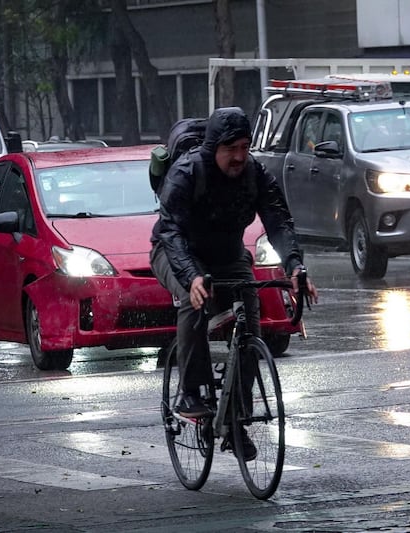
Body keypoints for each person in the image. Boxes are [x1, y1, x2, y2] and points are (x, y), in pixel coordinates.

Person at [150, 106, 319, 460]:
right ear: (214, 148)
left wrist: (294, 266)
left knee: (250, 324)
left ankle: (235, 416)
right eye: (232, 149)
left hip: (229, 254)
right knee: (193, 299)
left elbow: (279, 222)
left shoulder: (255, 174)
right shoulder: (187, 172)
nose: (240, 156)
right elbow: (170, 230)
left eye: (245, 147)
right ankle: (190, 392)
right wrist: (191, 276)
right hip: (176, 252)